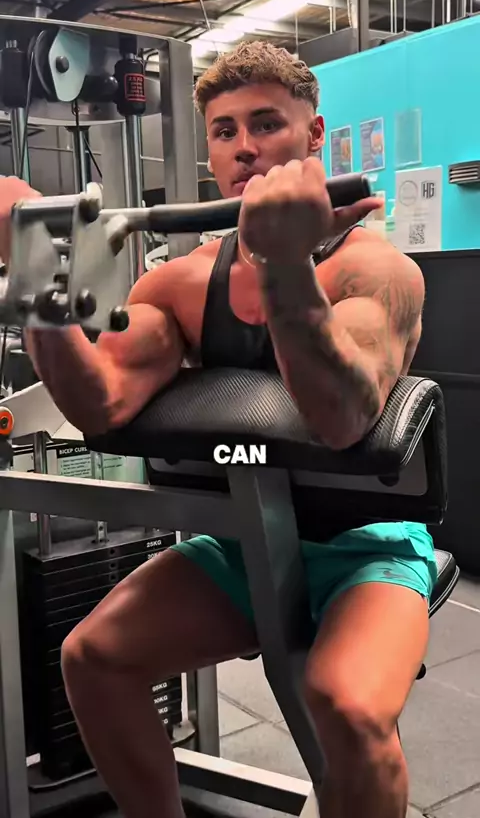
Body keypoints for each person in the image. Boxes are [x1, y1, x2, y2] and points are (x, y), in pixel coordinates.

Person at [0, 41, 437, 818]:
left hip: (368, 547)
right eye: (225, 130)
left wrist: (284, 266)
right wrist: (36, 280)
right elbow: (101, 404)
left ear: (313, 135)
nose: (244, 147)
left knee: (348, 706)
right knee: (94, 658)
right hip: (241, 544)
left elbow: (341, 418)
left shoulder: (377, 270)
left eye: (266, 124)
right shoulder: (180, 281)